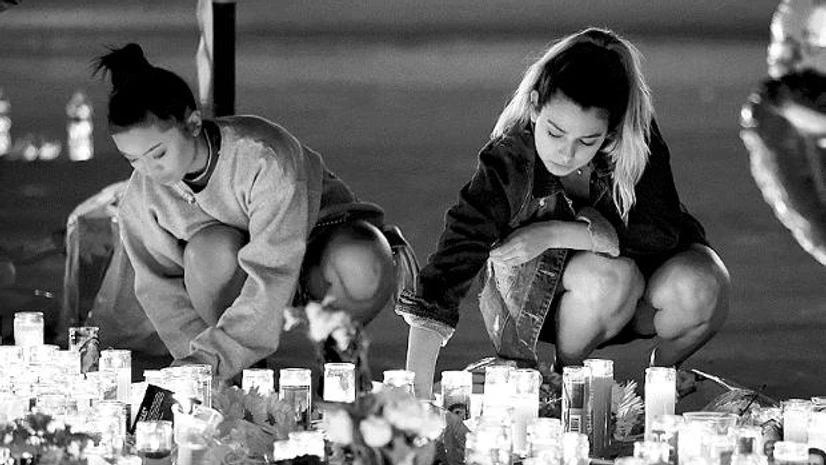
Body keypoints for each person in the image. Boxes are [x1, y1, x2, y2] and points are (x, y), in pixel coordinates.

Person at [396, 27, 731, 398]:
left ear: (610, 131)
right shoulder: (511, 159)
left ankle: (661, 383)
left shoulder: (634, 141)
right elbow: (452, 261)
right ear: (536, 105)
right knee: (608, 277)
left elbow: (660, 231)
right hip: (550, 300)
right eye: (555, 133)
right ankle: (565, 382)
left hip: (640, 299)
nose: (566, 153)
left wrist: (556, 233)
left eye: (587, 141)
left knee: (703, 284)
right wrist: (414, 391)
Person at [94, 43, 403, 381]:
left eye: (158, 154)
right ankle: (244, 372)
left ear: (193, 124)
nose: (149, 170)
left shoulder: (263, 158)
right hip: (237, 272)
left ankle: (339, 357)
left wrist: (212, 358)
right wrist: (199, 363)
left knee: (362, 263)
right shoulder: (142, 197)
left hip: (316, 251)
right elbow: (160, 290)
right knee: (209, 253)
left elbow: (273, 270)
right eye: (133, 160)